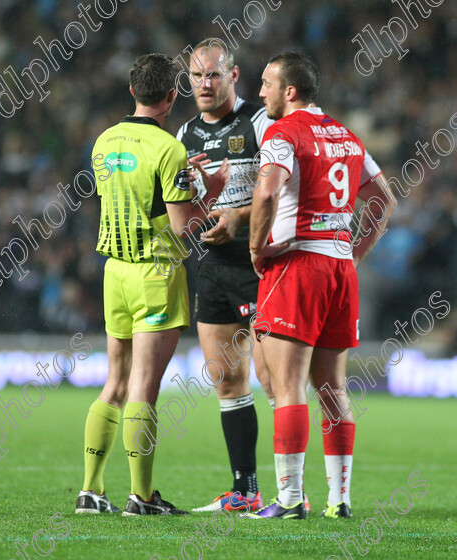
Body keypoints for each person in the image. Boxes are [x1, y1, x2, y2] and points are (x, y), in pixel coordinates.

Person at [245, 53, 396, 519]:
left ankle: (289, 500)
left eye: (268, 83)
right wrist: (355, 252)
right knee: (333, 388)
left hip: (297, 264)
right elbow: (384, 200)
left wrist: (255, 248)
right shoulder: (346, 136)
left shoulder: (282, 133)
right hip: (339, 270)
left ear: (290, 91)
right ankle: (340, 500)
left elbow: (268, 192)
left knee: (285, 386)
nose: (260, 92)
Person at [76, 53, 226, 516]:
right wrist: (213, 191)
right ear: (171, 96)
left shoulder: (103, 142)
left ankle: (91, 491)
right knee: (143, 388)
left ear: (131, 91)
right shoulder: (169, 149)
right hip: (155, 273)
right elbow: (182, 226)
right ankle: (141, 498)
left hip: (114, 273)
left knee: (114, 383)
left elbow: (124, 201)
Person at [175, 38, 277, 514]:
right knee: (226, 380)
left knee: (273, 378)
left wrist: (236, 213)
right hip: (214, 267)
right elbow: (181, 212)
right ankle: (245, 491)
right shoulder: (183, 136)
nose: (204, 84)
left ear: (234, 76)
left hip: (261, 263)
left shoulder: (259, 121)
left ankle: (291, 494)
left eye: (213, 75)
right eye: (196, 76)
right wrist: (195, 205)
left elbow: (281, 183)